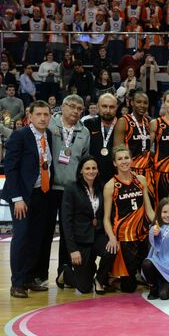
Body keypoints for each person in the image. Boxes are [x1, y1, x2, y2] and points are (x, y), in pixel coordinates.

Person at [2, 101, 55, 298]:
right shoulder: (20, 135)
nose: (43, 118)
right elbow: (10, 168)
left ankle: (29, 278)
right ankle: (17, 283)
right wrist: (17, 198)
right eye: (39, 114)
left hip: (43, 193)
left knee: (36, 238)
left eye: (46, 114)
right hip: (22, 196)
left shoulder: (47, 135)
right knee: (22, 237)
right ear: (29, 116)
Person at [37, 94, 90, 288]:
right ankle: (40, 275)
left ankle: (64, 273)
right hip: (49, 188)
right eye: (72, 107)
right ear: (63, 106)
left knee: (69, 234)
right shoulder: (50, 125)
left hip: (71, 190)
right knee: (45, 232)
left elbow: (84, 161)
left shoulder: (84, 132)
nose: (76, 111)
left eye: (79, 109)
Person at [57, 156, 115, 294]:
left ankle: (99, 280)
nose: (91, 171)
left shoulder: (102, 187)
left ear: (98, 171)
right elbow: (66, 221)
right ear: (81, 171)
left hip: (98, 236)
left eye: (94, 168)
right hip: (80, 240)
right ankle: (65, 273)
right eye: (87, 168)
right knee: (84, 288)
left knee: (112, 249)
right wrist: (73, 250)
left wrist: (111, 236)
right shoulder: (71, 188)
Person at [103, 145, 155, 293]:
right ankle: (110, 280)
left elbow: (149, 210)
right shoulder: (110, 185)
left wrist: (160, 225)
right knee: (129, 287)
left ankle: (137, 275)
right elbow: (106, 218)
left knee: (149, 276)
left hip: (142, 235)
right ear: (114, 163)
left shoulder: (141, 180)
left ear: (132, 160)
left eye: (126, 158)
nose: (124, 161)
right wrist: (112, 238)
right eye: (120, 159)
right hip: (124, 238)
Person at [141, 198, 169, 300]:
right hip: (158, 265)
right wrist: (155, 234)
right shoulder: (155, 228)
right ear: (159, 212)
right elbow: (154, 239)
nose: (167, 215)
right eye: (164, 212)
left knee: (164, 296)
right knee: (147, 263)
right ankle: (153, 287)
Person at [113, 91, 153, 199]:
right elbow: (117, 152)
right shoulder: (123, 121)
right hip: (131, 171)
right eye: (139, 102)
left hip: (148, 173)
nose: (142, 105)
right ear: (132, 103)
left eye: (145, 103)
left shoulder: (149, 122)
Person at [84, 93, 117, 185]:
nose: (108, 110)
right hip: (93, 178)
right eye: (104, 106)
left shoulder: (122, 126)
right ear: (98, 107)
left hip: (116, 178)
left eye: (112, 107)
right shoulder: (88, 124)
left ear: (116, 107)